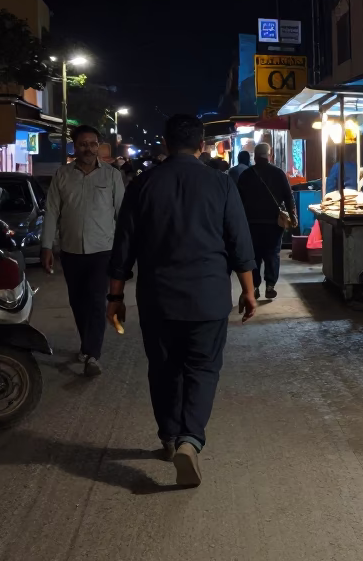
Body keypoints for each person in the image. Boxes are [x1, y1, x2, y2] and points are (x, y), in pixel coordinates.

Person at [107, 114, 257, 487]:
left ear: (165, 143)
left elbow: (123, 246)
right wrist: (249, 290)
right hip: (207, 297)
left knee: (163, 368)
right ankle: (191, 439)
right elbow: (239, 241)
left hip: (158, 298)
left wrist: (115, 296)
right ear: (202, 145)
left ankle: (170, 437)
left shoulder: (142, 184)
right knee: (203, 369)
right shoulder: (220, 184)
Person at [41, 125, 126, 377]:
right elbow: (52, 212)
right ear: (74, 147)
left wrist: (125, 250)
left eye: (92, 144)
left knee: (95, 301)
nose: (88, 149)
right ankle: (86, 345)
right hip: (70, 251)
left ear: (98, 145)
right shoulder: (62, 175)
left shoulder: (111, 176)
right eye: (82, 144)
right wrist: (47, 246)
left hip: (102, 251)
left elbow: (122, 214)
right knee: (78, 302)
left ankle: (92, 354)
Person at [236, 142, 296, 300]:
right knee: (272, 254)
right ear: (270, 156)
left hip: (251, 224)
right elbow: (288, 197)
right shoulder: (278, 173)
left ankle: (254, 287)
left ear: (254, 157)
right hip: (273, 223)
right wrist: (293, 215)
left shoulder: (246, 175)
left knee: (254, 255)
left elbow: (238, 201)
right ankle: (270, 286)